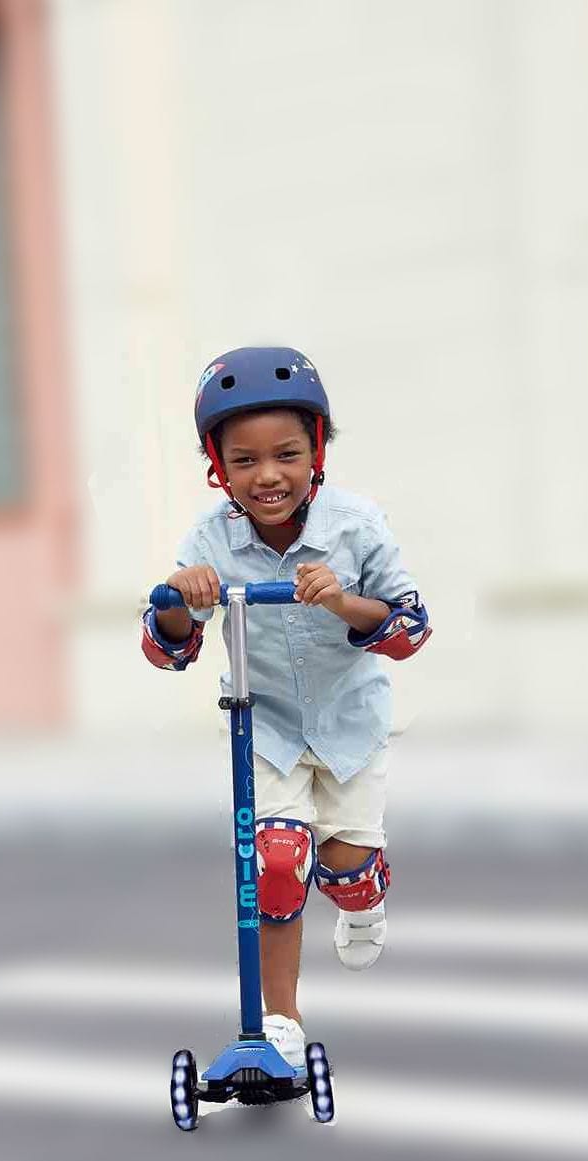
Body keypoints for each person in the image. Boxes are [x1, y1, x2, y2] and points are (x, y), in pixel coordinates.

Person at [142, 347, 431, 1064]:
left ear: (317, 451)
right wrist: (181, 597)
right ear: (219, 465)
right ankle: (280, 1022)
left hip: (349, 723)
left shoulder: (357, 526)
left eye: (287, 455)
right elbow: (168, 648)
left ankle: (363, 895)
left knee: (344, 866)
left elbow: (410, 630)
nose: (267, 476)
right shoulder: (210, 539)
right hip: (263, 725)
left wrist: (340, 599)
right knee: (275, 862)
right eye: (244, 461)